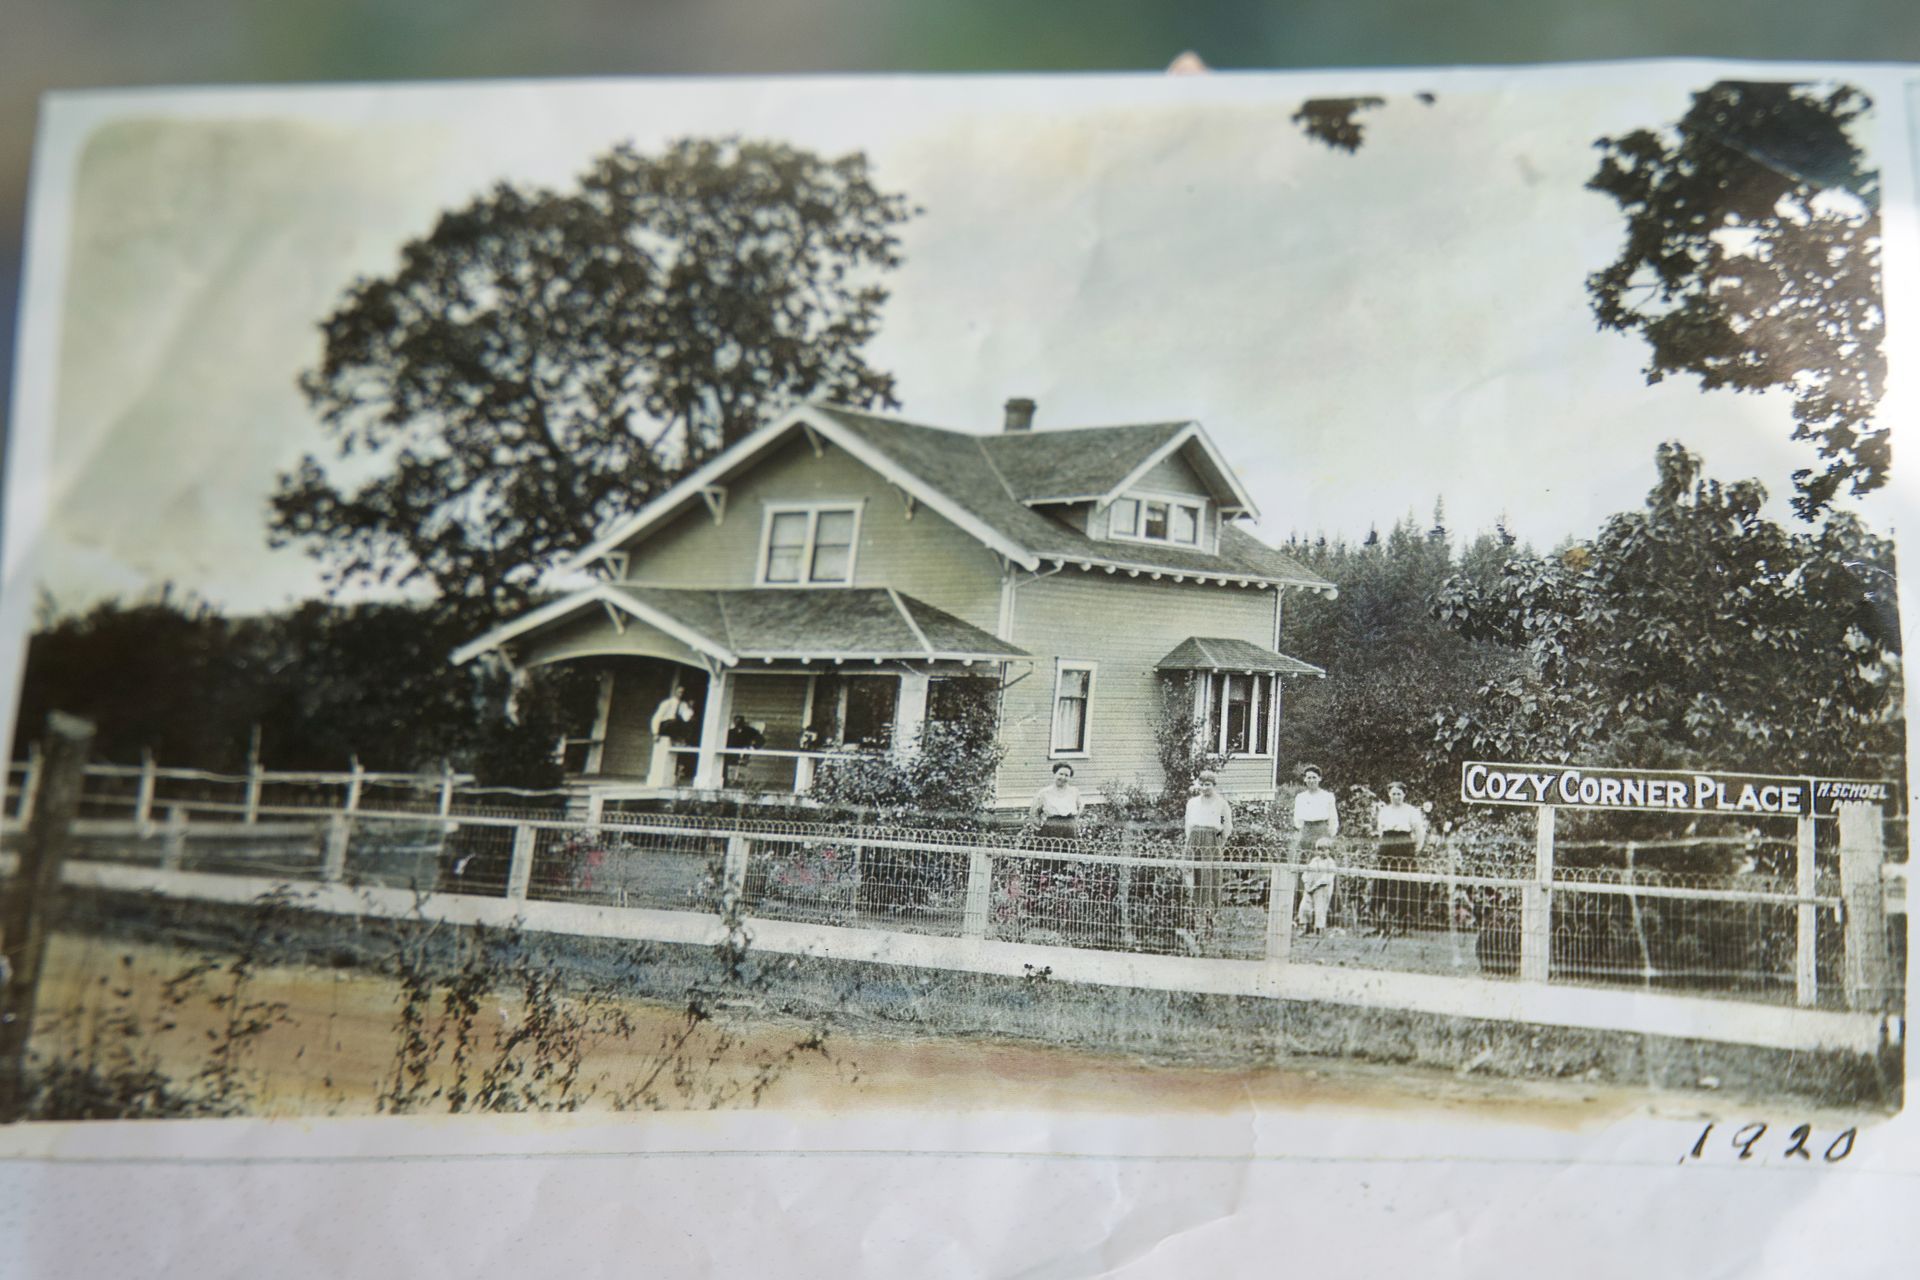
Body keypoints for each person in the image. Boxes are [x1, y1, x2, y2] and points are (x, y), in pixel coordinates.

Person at [1372, 781, 1430, 936]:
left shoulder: (1411, 811)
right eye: (1393, 794)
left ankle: (1403, 925)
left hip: (1404, 847)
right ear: (1389, 795)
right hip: (1387, 845)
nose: (1396, 797)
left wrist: (1416, 848)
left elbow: (1419, 832)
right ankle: (1382, 924)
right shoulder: (1384, 811)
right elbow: (1380, 830)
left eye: (1399, 794)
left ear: (1404, 795)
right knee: (1382, 883)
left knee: (1403, 884)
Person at [1184, 769, 1235, 931]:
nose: (1205, 788)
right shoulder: (1192, 803)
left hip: (1211, 842)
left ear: (1214, 785)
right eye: (1202, 784)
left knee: (1210, 878)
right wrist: (1189, 842)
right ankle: (1191, 916)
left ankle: (1209, 917)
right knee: (1192, 877)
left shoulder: (1221, 804)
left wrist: (1219, 843)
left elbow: (1225, 825)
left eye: (1208, 785)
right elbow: (1188, 824)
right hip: (1194, 841)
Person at [646, 683, 695, 789]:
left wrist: (690, 708)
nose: (681, 694)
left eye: (683, 692)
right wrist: (655, 733)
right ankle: (679, 738)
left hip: (675, 727)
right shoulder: (667, 703)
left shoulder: (683, 705)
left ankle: (681, 740)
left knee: (687, 723)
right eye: (679, 692)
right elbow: (657, 718)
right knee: (673, 721)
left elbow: (686, 718)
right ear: (675, 692)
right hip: (666, 725)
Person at [1028, 763, 1083, 841]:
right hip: (1051, 826)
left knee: (1068, 851)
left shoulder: (1074, 792)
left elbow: (1080, 808)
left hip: (1069, 827)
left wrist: (1073, 823)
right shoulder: (1044, 792)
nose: (1063, 777)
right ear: (1055, 774)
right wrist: (1040, 827)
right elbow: (1034, 812)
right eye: (1060, 774)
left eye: (1067, 775)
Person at [1292, 764, 1339, 852]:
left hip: (1322, 830)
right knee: (1306, 857)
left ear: (1319, 778)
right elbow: (1297, 817)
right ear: (1305, 779)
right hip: (1307, 831)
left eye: (1314, 777)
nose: (1311, 780)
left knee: (1322, 857)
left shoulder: (1327, 796)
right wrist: (1300, 831)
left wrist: (1332, 833)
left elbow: (1333, 817)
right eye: (1309, 778)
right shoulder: (1300, 797)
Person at [1297, 836, 1338, 935]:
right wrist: (1306, 883)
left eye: (1324, 850)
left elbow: (1327, 878)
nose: (1322, 853)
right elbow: (1307, 872)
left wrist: (1316, 885)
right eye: (1319, 850)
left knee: (1320, 908)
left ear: (1329, 850)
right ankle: (1305, 927)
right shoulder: (1314, 860)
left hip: (1322, 888)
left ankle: (1319, 930)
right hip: (1310, 887)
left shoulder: (1330, 863)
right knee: (1304, 907)